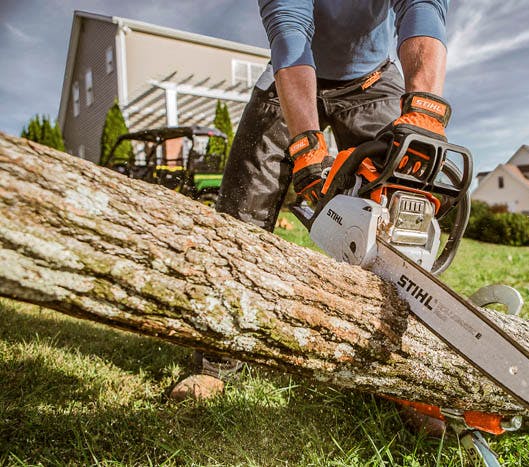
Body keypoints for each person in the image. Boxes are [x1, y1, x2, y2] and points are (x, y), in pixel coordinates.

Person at [173, 0, 452, 435]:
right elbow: (291, 35)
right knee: (242, 216)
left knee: (401, 217)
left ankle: (404, 377)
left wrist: (426, 107)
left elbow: (422, 7)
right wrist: (305, 142)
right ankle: (216, 361)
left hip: (374, 82)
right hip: (290, 79)